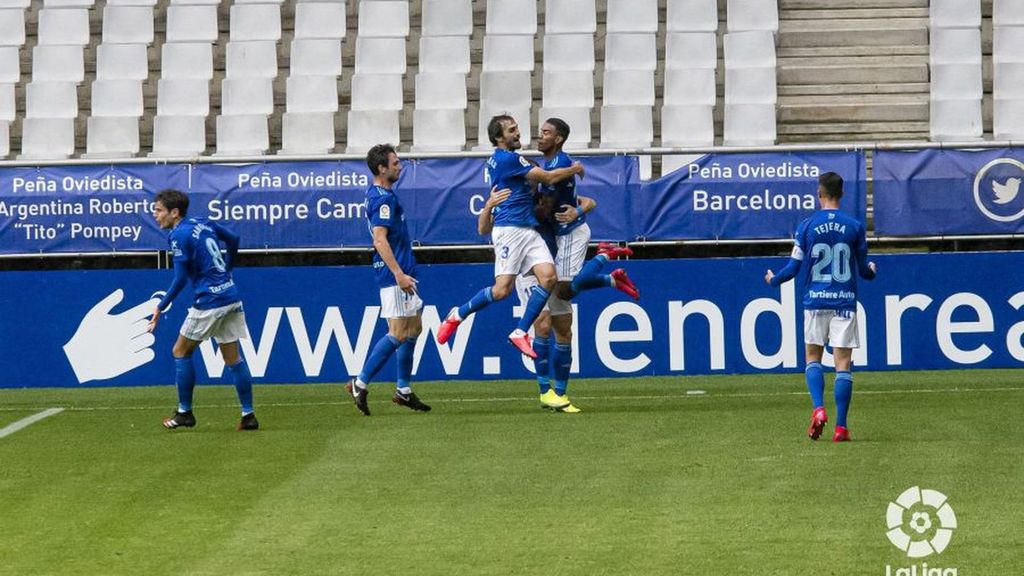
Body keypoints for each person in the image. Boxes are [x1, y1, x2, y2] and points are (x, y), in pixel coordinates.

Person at [436, 114, 585, 358]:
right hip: (510, 230)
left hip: (527, 228)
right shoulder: (508, 159)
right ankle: (457, 314)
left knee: (549, 278)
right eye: (512, 130)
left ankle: (520, 332)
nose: (518, 133)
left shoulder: (504, 159)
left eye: (517, 128)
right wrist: (575, 168)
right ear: (499, 138)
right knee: (501, 290)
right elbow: (547, 177)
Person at [764, 172, 876, 442]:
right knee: (843, 364)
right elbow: (863, 271)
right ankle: (841, 427)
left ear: (819, 193)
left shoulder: (807, 226)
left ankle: (818, 408)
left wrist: (773, 279)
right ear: (842, 193)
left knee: (813, 358)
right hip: (844, 303)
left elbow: (793, 268)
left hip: (815, 302)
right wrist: (873, 270)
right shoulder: (855, 226)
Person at [147, 189, 257, 431]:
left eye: (159, 210)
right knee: (233, 358)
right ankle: (248, 414)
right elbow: (234, 239)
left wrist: (160, 306)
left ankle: (185, 412)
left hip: (210, 302)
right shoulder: (202, 222)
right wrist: (228, 270)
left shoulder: (178, 236)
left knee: (180, 350)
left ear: (174, 213)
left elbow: (180, 279)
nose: (155, 215)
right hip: (230, 294)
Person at [344, 143, 431, 417]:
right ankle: (360, 383)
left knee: (414, 327)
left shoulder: (379, 194)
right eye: (395, 163)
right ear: (382, 168)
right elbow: (379, 239)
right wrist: (399, 274)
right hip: (396, 275)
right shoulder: (383, 199)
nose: (400, 166)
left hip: (404, 271)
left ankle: (403, 390)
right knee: (398, 333)